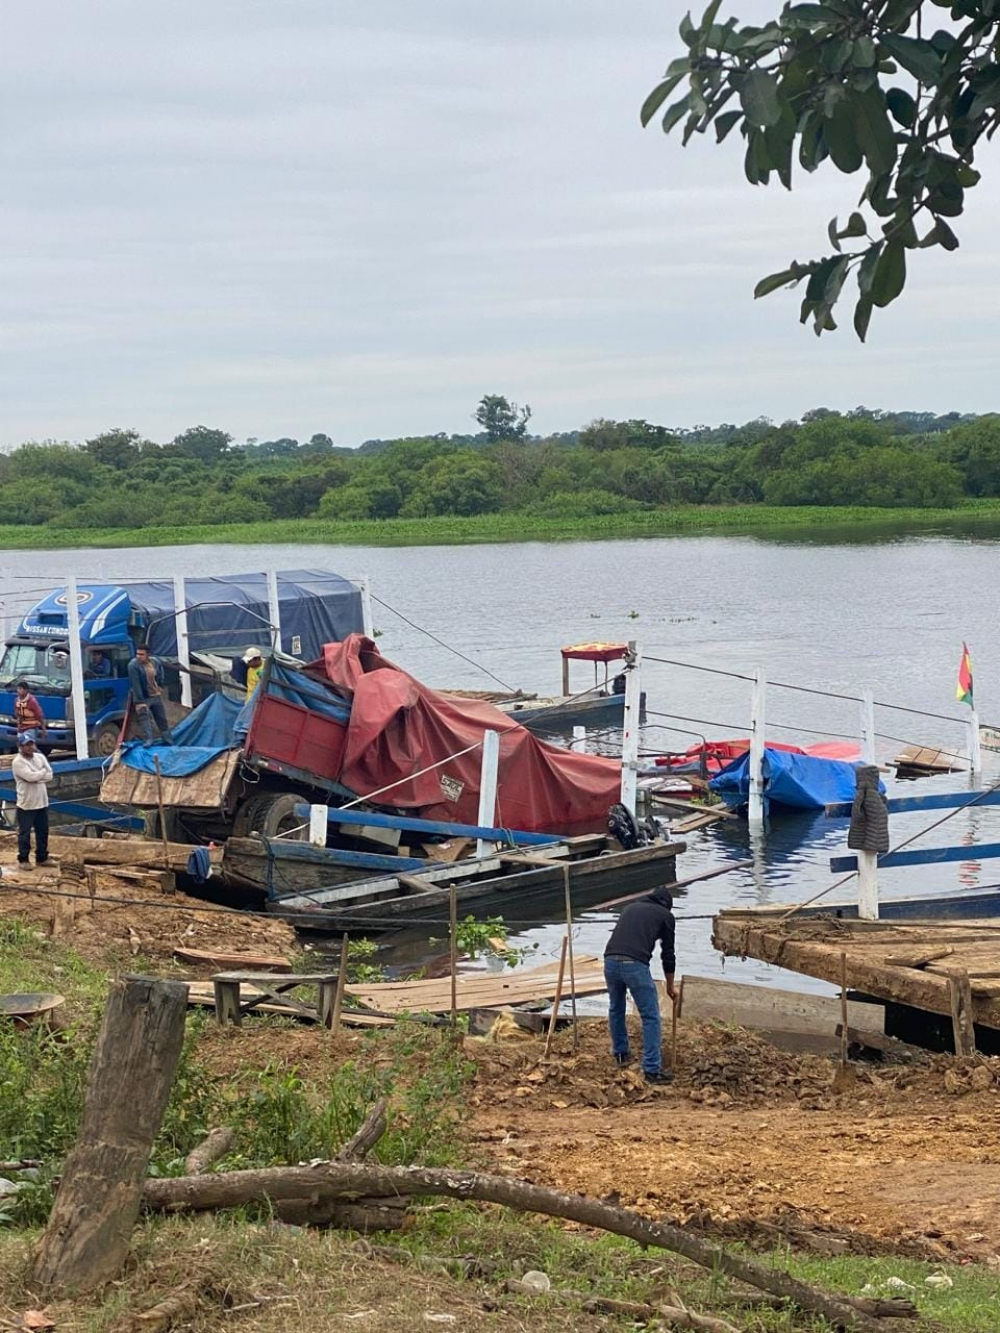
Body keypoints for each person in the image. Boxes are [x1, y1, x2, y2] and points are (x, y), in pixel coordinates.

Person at [603, 886, 677, 1083]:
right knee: (651, 1016)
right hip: (634, 964)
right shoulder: (666, 916)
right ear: (667, 905)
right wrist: (670, 987)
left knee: (616, 1007)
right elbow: (668, 955)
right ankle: (652, 1070)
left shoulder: (631, 908)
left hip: (609, 960)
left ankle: (620, 1054)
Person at [11, 735, 52, 866]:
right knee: (25, 833)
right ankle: (23, 859)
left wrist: (37, 776)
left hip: (42, 802)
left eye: (31, 744)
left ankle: (42, 857)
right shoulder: (18, 762)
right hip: (26, 804)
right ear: (21, 747)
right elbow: (30, 777)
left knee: (43, 831)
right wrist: (41, 773)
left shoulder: (40, 757)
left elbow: (50, 774)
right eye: (26, 745)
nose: (30, 747)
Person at [127, 644, 174, 744]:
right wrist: (139, 701)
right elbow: (136, 684)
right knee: (144, 718)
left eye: (141, 654)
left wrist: (160, 686)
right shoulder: (133, 665)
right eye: (137, 654)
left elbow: (160, 673)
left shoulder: (155, 662)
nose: (138, 656)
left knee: (161, 719)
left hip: (155, 695)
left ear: (148, 655)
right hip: (143, 697)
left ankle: (168, 740)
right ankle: (149, 740)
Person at [14, 680, 46, 744]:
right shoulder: (16, 700)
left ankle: (38, 754)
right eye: (18, 688)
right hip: (21, 728)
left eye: (20, 689)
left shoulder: (32, 701)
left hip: (31, 728)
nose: (18, 690)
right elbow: (16, 713)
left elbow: (39, 715)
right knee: (21, 745)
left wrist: (43, 728)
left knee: (28, 745)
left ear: (26, 690)